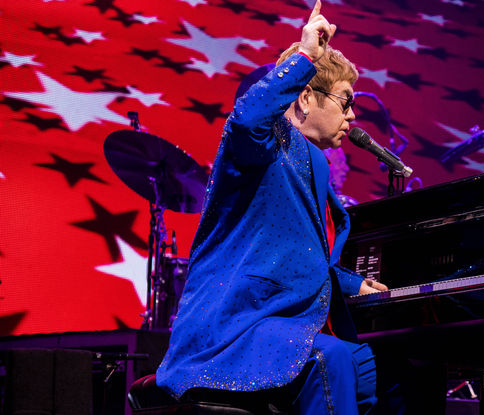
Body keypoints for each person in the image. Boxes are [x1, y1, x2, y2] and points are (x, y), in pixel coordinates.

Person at [156, 2, 387, 414]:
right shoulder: (265, 138)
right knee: (330, 358)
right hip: (239, 321)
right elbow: (247, 119)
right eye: (345, 101)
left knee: (375, 365)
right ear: (305, 97)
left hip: (282, 322)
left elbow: (299, 254)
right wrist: (306, 56)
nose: (352, 115)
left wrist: (354, 285)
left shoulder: (313, 160)